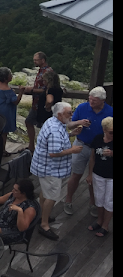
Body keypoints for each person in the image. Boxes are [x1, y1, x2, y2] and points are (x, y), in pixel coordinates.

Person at [30, 102, 85, 240]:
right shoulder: (55, 129)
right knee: (52, 196)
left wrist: (71, 134)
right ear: (60, 114)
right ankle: (44, 225)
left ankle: (42, 216)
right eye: (69, 113)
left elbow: (58, 141)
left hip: (44, 167)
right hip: (51, 169)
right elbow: (54, 153)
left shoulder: (53, 121)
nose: (71, 115)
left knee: (45, 192)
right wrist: (72, 150)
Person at [64, 86, 113, 217]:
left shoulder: (110, 111)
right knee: (76, 174)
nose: (91, 102)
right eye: (90, 99)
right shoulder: (82, 108)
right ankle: (68, 200)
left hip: (100, 149)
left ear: (103, 100)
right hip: (81, 144)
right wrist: (79, 122)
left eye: (94, 101)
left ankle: (93, 203)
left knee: (95, 178)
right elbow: (69, 124)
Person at [0, 179, 39, 244]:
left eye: (16, 190)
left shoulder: (30, 208)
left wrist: (20, 211)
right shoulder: (12, 195)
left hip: (11, 231)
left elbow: (22, 228)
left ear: (23, 193)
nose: (13, 191)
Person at [21, 51, 53, 152]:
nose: (34, 61)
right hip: (36, 104)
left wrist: (31, 90)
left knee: (43, 126)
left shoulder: (48, 72)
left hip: (43, 105)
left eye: (36, 60)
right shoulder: (41, 70)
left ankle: (42, 148)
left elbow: (48, 89)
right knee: (29, 122)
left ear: (42, 60)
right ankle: (32, 146)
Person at [87, 117, 113, 238]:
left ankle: (105, 226)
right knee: (99, 199)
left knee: (109, 201)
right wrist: (90, 174)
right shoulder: (98, 139)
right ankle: (99, 220)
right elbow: (92, 158)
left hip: (111, 177)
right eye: (111, 132)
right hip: (98, 174)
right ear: (104, 130)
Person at [0, 67, 24, 156]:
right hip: (5, 112)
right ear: (6, 78)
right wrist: (21, 92)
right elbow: (15, 101)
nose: (11, 76)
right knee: (4, 132)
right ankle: (2, 150)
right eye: (10, 75)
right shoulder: (8, 90)